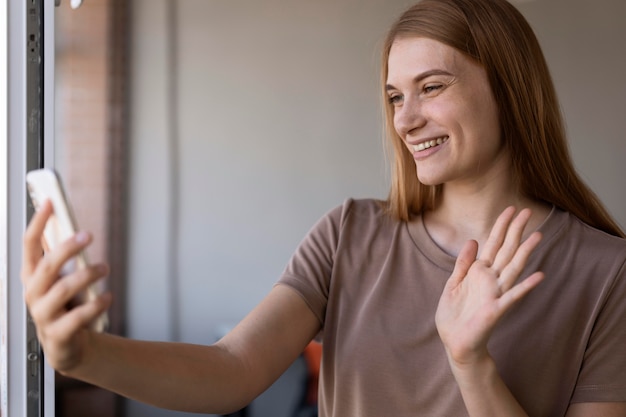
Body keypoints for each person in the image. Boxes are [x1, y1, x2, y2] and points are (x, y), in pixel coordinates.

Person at [21, 0, 626, 416]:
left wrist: (471, 362)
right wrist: (85, 356)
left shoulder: (608, 274)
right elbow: (232, 369)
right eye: (394, 96)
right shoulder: (349, 234)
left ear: (508, 88)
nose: (406, 119)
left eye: (432, 87)